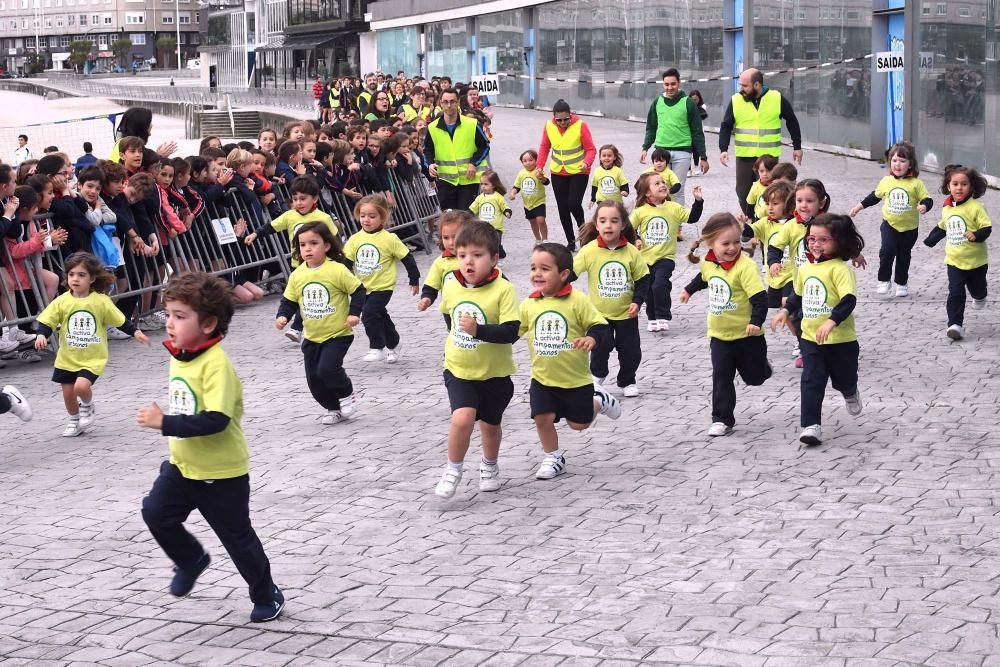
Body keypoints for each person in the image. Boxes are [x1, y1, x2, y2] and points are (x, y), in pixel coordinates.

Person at [137, 272, 285, 623]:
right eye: (169, 314)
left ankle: (267, 595)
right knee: (155, 512)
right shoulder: (181, 354)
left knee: (238, 540)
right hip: (183, 466)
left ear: (209, 324)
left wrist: (166, 423)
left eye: (180, 316)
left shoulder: (216, 365)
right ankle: (191, 558)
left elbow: (215, 420)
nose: (170, 324)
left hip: (222, 474)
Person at [518, 243, 621, 480]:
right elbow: (513, 331)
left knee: (579, 425)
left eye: (544, 269)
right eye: (533, 268)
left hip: (576, 379)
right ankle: (553, 457)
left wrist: (591, 338)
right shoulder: (529, 304)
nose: (537, 273)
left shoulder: (577, 300)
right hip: (543, 378)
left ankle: (599, 399)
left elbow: (601, 326)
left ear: (563, 274)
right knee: (541, 417)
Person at [434, 221, 519, 499]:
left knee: (491, 425)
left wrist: (478, 331)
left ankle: (489, 466)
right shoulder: (450, 283)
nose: (468, 262)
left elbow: (511, 331)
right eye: (462, 256)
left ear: (494, 258)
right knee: (463, 418)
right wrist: (457, 340)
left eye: (477, 255)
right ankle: (453, 469)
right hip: (459, 369)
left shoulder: (503, 289)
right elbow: (448, 313)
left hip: (495, 373)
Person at [772, 214, 865, 447]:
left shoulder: (840, 270)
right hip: (811, 338)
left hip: (841, 340)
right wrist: (785, 311)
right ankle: (811, 425)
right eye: (812, 238)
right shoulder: (805, 268)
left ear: (840, 242)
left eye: (824, 240)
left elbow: (848, 300)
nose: (816, 244)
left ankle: (850, 389)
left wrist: (832, 321)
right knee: (811, 379)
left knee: (844, 378)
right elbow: (798, 296)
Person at [34, 253, 150, 437]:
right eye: (71, 274)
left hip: (92, 358)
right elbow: (47, 321)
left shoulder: (100, 301)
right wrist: (41, 335)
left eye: (81, 275)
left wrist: (135, 332)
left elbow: (120, 320)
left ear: (92, 278)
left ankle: (87, 406)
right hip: (67, 358)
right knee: (68, 393)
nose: (75, 279)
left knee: (81, 387)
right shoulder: (62, 301)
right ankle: (74, 421)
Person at [680, 213, 772, 437]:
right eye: (726, 243)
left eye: (736, 242)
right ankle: (721, 418)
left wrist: (755, 322)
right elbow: (704, 277)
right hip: (720, 334)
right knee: (722, 376)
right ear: (710, 243)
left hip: (748, 334)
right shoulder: (708, 262)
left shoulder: (745, 266)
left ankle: (764, 368)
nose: (732, 248)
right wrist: (688, 290)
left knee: (755, 377)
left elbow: (760, 299)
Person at [277, 222, 365, 424]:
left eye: (313, 243)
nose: (307, 248)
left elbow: (358, 290)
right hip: (312, 337)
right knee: (314, 379)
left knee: (328, 368)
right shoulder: (297, 274)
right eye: (302, 245)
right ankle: (333, 408)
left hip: (338, 334)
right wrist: (283, 316)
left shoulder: (337, 270)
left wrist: (354, 313)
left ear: (326, 246)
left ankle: (346, 393)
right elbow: (289, 300)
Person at [573, 201, 649, 396]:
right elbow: (571, 272)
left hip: (626, 315)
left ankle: (627, 380)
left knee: (630, 351)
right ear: (596, 224)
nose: (608, 225)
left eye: (614, 221)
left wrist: (637, 301)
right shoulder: (589, 250)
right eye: (603, 221)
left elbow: (643, 278)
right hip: (599, 315)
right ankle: (597, 375)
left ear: (623, 224)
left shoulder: (631, 251)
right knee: (599, 346)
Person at [849, 141, 933, 297]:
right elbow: (874, 197)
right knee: (887, 251)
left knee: (903, 255)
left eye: (902, 161)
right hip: (890, 225)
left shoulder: (916, 184)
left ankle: (901, 283)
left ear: (910, 164)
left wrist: (924, 206)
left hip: (909, 229)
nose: (898, 164)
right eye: (894, 160)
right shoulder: (886, 181)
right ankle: (884, 280)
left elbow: (928, 199)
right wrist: (859, 207)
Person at [343, 194, 420, 363]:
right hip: (363, 288)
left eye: (372, 216)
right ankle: (394, 344)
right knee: (381, 316)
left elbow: (407, 258)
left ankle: (377, 347)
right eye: (363, 216)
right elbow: (346, 264)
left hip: (383, 287)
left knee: (369, 315)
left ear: (382, 217)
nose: (366, 220)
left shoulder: (389, 238)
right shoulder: (355, 240)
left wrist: (414, 280)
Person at [719, 68, 803, 217]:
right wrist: (723, 149)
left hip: (769, 158)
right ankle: (751, 221)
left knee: (772, 192)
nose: (741, 89)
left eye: (745, 86)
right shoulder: (736, 100)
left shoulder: (776, 98)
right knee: (743, 192)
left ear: (757, 85)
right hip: (745, 157)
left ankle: (767, 223)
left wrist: (797, 146)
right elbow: (726, 125)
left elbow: (792, 120)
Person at [923, 164, 991, 340]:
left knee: (977, 288)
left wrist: (976, 235)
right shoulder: (947, 208)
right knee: (956, 292)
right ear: (948, 186)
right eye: (955, 184)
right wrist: (931, 239)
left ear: (971, 186)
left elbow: (987, 228)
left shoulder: (976, 207)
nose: (959, 187)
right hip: (954, 260)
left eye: (964, 184)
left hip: (976, 261)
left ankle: (980, 295)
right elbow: (943, 227)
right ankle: (955, 325)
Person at [630, 173, 704, 333]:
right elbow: (628, 229)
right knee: (649, 289)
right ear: (647, 193)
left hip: (666, 257)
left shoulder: (673, 207)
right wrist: (635, 239)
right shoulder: (640, 211)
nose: (663, 185)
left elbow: (692, 217)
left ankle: (662, 315)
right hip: (645, 259)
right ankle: (652, 318)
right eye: (657, 183)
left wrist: (698, 201)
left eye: (663, 182)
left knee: (659, 285)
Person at [640, 68, 710, 205]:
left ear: (679, 83)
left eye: (673, 84)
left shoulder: (688, 103)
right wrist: (645, 147)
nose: (670, 87)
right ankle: (664, 222)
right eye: (666, 84)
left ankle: (677, 226)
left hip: (682, 153)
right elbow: (651, 127)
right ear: (663, 84)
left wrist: (703, 156)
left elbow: (697, 132)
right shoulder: (657, 102)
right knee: (659, 190)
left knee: (677, 190)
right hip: (661, 153)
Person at [536, 100, 596, 251]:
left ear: (571, 115)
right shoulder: (549, 126)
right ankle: (570, 241)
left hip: (579, 171)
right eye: (559, 120)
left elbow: (591, 149)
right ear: (554, 117)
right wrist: (539, 166)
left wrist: (586, 163)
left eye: (566, 119)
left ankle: (584, 233)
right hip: (558, 171)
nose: (563, 123)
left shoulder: (580, 125)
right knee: (562, 208)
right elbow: (544, 146)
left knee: (573, 203)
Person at [424, 88, 490, 211]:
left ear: (458, 102)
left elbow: (485, 146)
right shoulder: (432, 127)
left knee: (466, 218)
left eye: (452, 101)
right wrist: (429, 164)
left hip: (469, 180)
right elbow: (427, 150)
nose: (449, 105)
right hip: (445, 180)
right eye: (445, 102)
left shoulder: (472, 124)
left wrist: (473, 163)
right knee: (449, 219)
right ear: (441, 103)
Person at [744, 180, 796, 310]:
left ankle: (801, 327)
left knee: (787, 303)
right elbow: (749, 232)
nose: (770, 208)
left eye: (775, 204)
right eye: (768, 204)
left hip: (793, 275)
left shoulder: (796, 224)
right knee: (777, 307)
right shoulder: (765, 223)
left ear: (789, 204)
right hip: (774, 276)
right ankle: (795, 329)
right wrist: (741, 226)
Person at [418, 209, 472, 314]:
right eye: (446, 237)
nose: (451, 242)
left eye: (455, 236)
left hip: (476, 307)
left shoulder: (476, 258)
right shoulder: (441, 262)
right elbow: (431, 286)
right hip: (450, 311)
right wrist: (426, 299)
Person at [468, 170, 511, 259]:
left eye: (486, 184)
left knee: (496, 244)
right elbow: (473, 208)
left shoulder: (498, 197)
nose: (483, 186)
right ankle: (489, 260)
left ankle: (500, 256)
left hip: (496, 227)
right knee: (486, 244)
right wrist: (467, 214)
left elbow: (504, 206)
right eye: (481, 184)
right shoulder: (479, 198)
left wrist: (507, 212)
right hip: (483, 226)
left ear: (494, 185)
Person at [510, 149, 549, 242]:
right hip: (527, 204)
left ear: (536, 160)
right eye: (525, 161)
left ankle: (545, 239)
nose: (528, 163)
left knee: (541, 220)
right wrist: (513, 193)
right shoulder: (521, 173)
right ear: (522, 162)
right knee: (532, 222)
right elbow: (517, 186)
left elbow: (546, 182)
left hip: (539, 201)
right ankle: (538, 239)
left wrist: (542, 178)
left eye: (531, 160)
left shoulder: (539, 171)